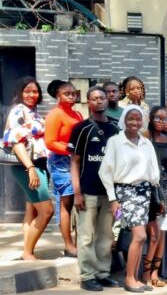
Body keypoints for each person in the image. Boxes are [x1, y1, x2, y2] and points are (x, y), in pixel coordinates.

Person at [99, 106, 161, 292]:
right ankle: (128, 278)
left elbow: (153, 171)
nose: (134, 122)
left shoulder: (146, 143)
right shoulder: (115, 142)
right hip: (125, 191)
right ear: (124, 120)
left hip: (145, 191)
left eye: (138, 119)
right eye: (130, 118)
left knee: (141, 238)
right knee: (140, 235)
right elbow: (105, 172)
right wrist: (113, 199)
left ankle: (135, 277)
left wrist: (156, 197)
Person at [68, 86, 122, 291]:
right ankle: (87, 275)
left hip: (110, 193)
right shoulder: (81, 128)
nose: (99, 101)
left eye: (102, 97)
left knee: (106, 235)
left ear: (108, 100)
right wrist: (77, 192)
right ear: (88, 102)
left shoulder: (117, 128)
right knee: (86, 235)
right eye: (94, 98)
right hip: (87, 191)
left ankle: (102, 273)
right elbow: (74, 161)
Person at [3, 77, 54, 261]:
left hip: (38, 164)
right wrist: (31, 168)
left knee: (31, 211)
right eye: (27, 91)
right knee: (47, 211)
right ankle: (27, 253)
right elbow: (16, 142)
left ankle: (27, 249)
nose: (32, 94)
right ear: (19, 93)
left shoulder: (32, 112)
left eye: (35, 91)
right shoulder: (18, 111)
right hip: (27, 166)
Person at [45, 79, 83, 258]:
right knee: (65, 203)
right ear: (58, 96)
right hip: (61, 162)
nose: (71, 96)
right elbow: (50, 142)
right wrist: (71, 151)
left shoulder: (77, 114)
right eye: (67, 93)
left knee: (76, 203)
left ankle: (76, 242)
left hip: (75, 160)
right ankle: (68, 245)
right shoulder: (55, 114)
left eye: (74, 93)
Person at [145, 106, 167, 287]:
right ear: (150, 119)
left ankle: (155, 272)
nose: (161, 122)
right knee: (152, 235)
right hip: (148, 189)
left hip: (166, 190)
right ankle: (144, 272)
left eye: (165, 119)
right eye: (157, 118)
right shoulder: (145, 136)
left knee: (162, 233)